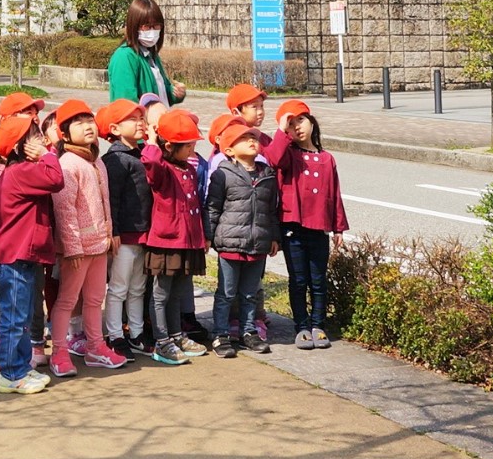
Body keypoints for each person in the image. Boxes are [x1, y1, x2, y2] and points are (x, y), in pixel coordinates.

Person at [0, 113, 64, 395]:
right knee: (14, 319)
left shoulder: (22, 172)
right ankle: (10, 374)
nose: (42, 140)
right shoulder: (21, 172)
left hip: (21, 256)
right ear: (21, 146)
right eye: (34, 136)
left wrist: (45, 153)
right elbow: (56, 179)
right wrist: (48, 154)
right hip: (14, 257)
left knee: (20, 316)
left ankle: (19, 366)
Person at [49, 99, 127, 375]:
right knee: (67, 300)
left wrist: (110, 233)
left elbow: (105, 202)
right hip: (78, 249)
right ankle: (59, 352)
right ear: (65, 133)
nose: (88, 127)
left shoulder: (96, 161)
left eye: (89, 120)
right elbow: (64, 210)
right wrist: (72, 248)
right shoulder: (67, 164)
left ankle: (96, 346)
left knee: (96, 299)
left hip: (99, 246)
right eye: (78, 123)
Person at [265, 100, 348, 349]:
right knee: (298, 279)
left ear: (312, 121)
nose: (297, 128)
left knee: (318, 279)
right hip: (293, 226)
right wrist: (281, 131)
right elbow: (273, 158)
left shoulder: (326, 159)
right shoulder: (289, 156)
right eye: (291, 125)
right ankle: (301, 326)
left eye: (300, 120)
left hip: (318, 227)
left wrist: (338, 227)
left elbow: (334, 194)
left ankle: (318, 325)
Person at [140, 108, 209, 365]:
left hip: (188, 241)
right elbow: (150, 162)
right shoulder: (162, 170)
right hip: (166, 241)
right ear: (169, 146)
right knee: (161, 293)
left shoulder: (189, 169)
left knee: (179, 292)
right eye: (187, 146)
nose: (192, 150)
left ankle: (177, 334)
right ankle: (162, 340)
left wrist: (202, 238)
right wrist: (151, 140)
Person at [206, 118, 280, 357]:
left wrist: (273, 237)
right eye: (243, 138)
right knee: (226, 293)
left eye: (254, 138)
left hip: (257, 243)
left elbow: (272, 211)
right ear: (228, 150)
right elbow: (213, 208)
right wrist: (209, 236)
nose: (251, 141)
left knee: (250, 293)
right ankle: (220, 334)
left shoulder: (268, 175)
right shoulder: (223, 175)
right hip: (229, 243)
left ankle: (248, 332)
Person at [0, 91, 43, 352]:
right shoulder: (0, 138)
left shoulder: (36, 139)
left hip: (26, 228)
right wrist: (0, 145)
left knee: (27, 286)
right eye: (27, 111)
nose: (33, 116)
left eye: (34, 111)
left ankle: (27, 336)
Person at [98, 99, 153, 357]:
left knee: (138, 288)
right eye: (133, 119)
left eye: (142, 118)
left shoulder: (143, 154)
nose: (140, 123)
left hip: (144, 233)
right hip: (124, 235)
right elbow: (112, 199)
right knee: (118, 287)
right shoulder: (116, 160)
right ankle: (115, 335)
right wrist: (114, 231)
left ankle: (137, 332)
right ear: (115, 128)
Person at [106, 0, 187, 105]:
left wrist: (176, 93)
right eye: (147, 27)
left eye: (156, 26)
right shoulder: (124, 57)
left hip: (159, 120)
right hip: (142, 121)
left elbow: (163, 92)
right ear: (134, 27)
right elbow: (126, 103)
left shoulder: (151, 55)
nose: (152, 31)